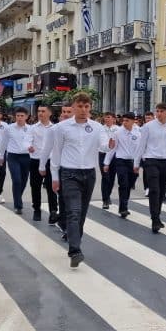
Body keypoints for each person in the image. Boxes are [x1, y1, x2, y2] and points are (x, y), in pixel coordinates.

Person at [50, 92, 108, 268]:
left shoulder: (97, 127)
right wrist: (55, 177)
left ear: (90, 108)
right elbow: (56, 152)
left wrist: (110, 144)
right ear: (73, 107)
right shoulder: (62, 128)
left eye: (86, 106)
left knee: (81, 214)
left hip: (89, 174)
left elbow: (103, 144)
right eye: (80, 106)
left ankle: (75, 241)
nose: (83, 110)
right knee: (73, 212)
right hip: (69, 174)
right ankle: (75, 250)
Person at [134, 103, 166, 233]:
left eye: (161, 111)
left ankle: (157, 215)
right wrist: (136, 163)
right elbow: (141, 145)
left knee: (162, 190)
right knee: (154, 189)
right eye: (157, 111)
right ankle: (154, 219)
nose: (158, 113)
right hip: (151, 160)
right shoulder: (148, 127)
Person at [40, 102, 74, 239]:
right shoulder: (54, 129)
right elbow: (46, 149)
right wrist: (42, 166)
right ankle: (64, 224)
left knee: (70, 198)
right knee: (63, 196)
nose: (65, 114)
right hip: (56, 166)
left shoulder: (81, 128)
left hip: (73, 168)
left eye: (68, 112)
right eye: (64, 112)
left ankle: (65, 222)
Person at [104, 111, 141, 218]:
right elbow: (112, 149)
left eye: (127, 120)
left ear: (133, 121)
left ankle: (125, 203)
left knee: (129, 185)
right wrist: (106, 163)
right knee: (123, 184)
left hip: (133, 162)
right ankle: (123, 208)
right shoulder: (118, 132)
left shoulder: (138, 132)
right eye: (123, 120)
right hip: (121, 161)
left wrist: (141, 162)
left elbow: (141, 148)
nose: (124, 122)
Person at [0, 107, 33, 215]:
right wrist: (1, 157)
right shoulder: (9, 128)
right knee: (17, 180)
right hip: (13, 157)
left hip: (26, 157)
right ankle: (18, 205)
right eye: (18, 116)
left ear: (27, 117)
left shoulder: (31, 129)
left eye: (22, 116)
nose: (19, 118)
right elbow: (3, 143)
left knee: (23, 181)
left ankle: (18, 197)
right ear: (15, 117)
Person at [29, 104, 56, 222]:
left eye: (43, 111)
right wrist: (28, 146)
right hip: (36, 160)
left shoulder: (55, 128)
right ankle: (37, 210)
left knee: (52, 187)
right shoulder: (32, 128)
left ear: (50, 113)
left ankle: (53, 212)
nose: (40, 113)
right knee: (35, 186)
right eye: (39, 111)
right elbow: (27, 140)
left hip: (51, 161)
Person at [98, 112, 119, 209]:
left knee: (111, 177)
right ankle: (105, 200)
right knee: (105, 177)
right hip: (103, 154)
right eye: (105, 117)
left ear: (114, 119)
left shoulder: (118, 129)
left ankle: (108, 195)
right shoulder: (100, 129)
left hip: (114, 155)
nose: (106, 119)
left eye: (109, 117)